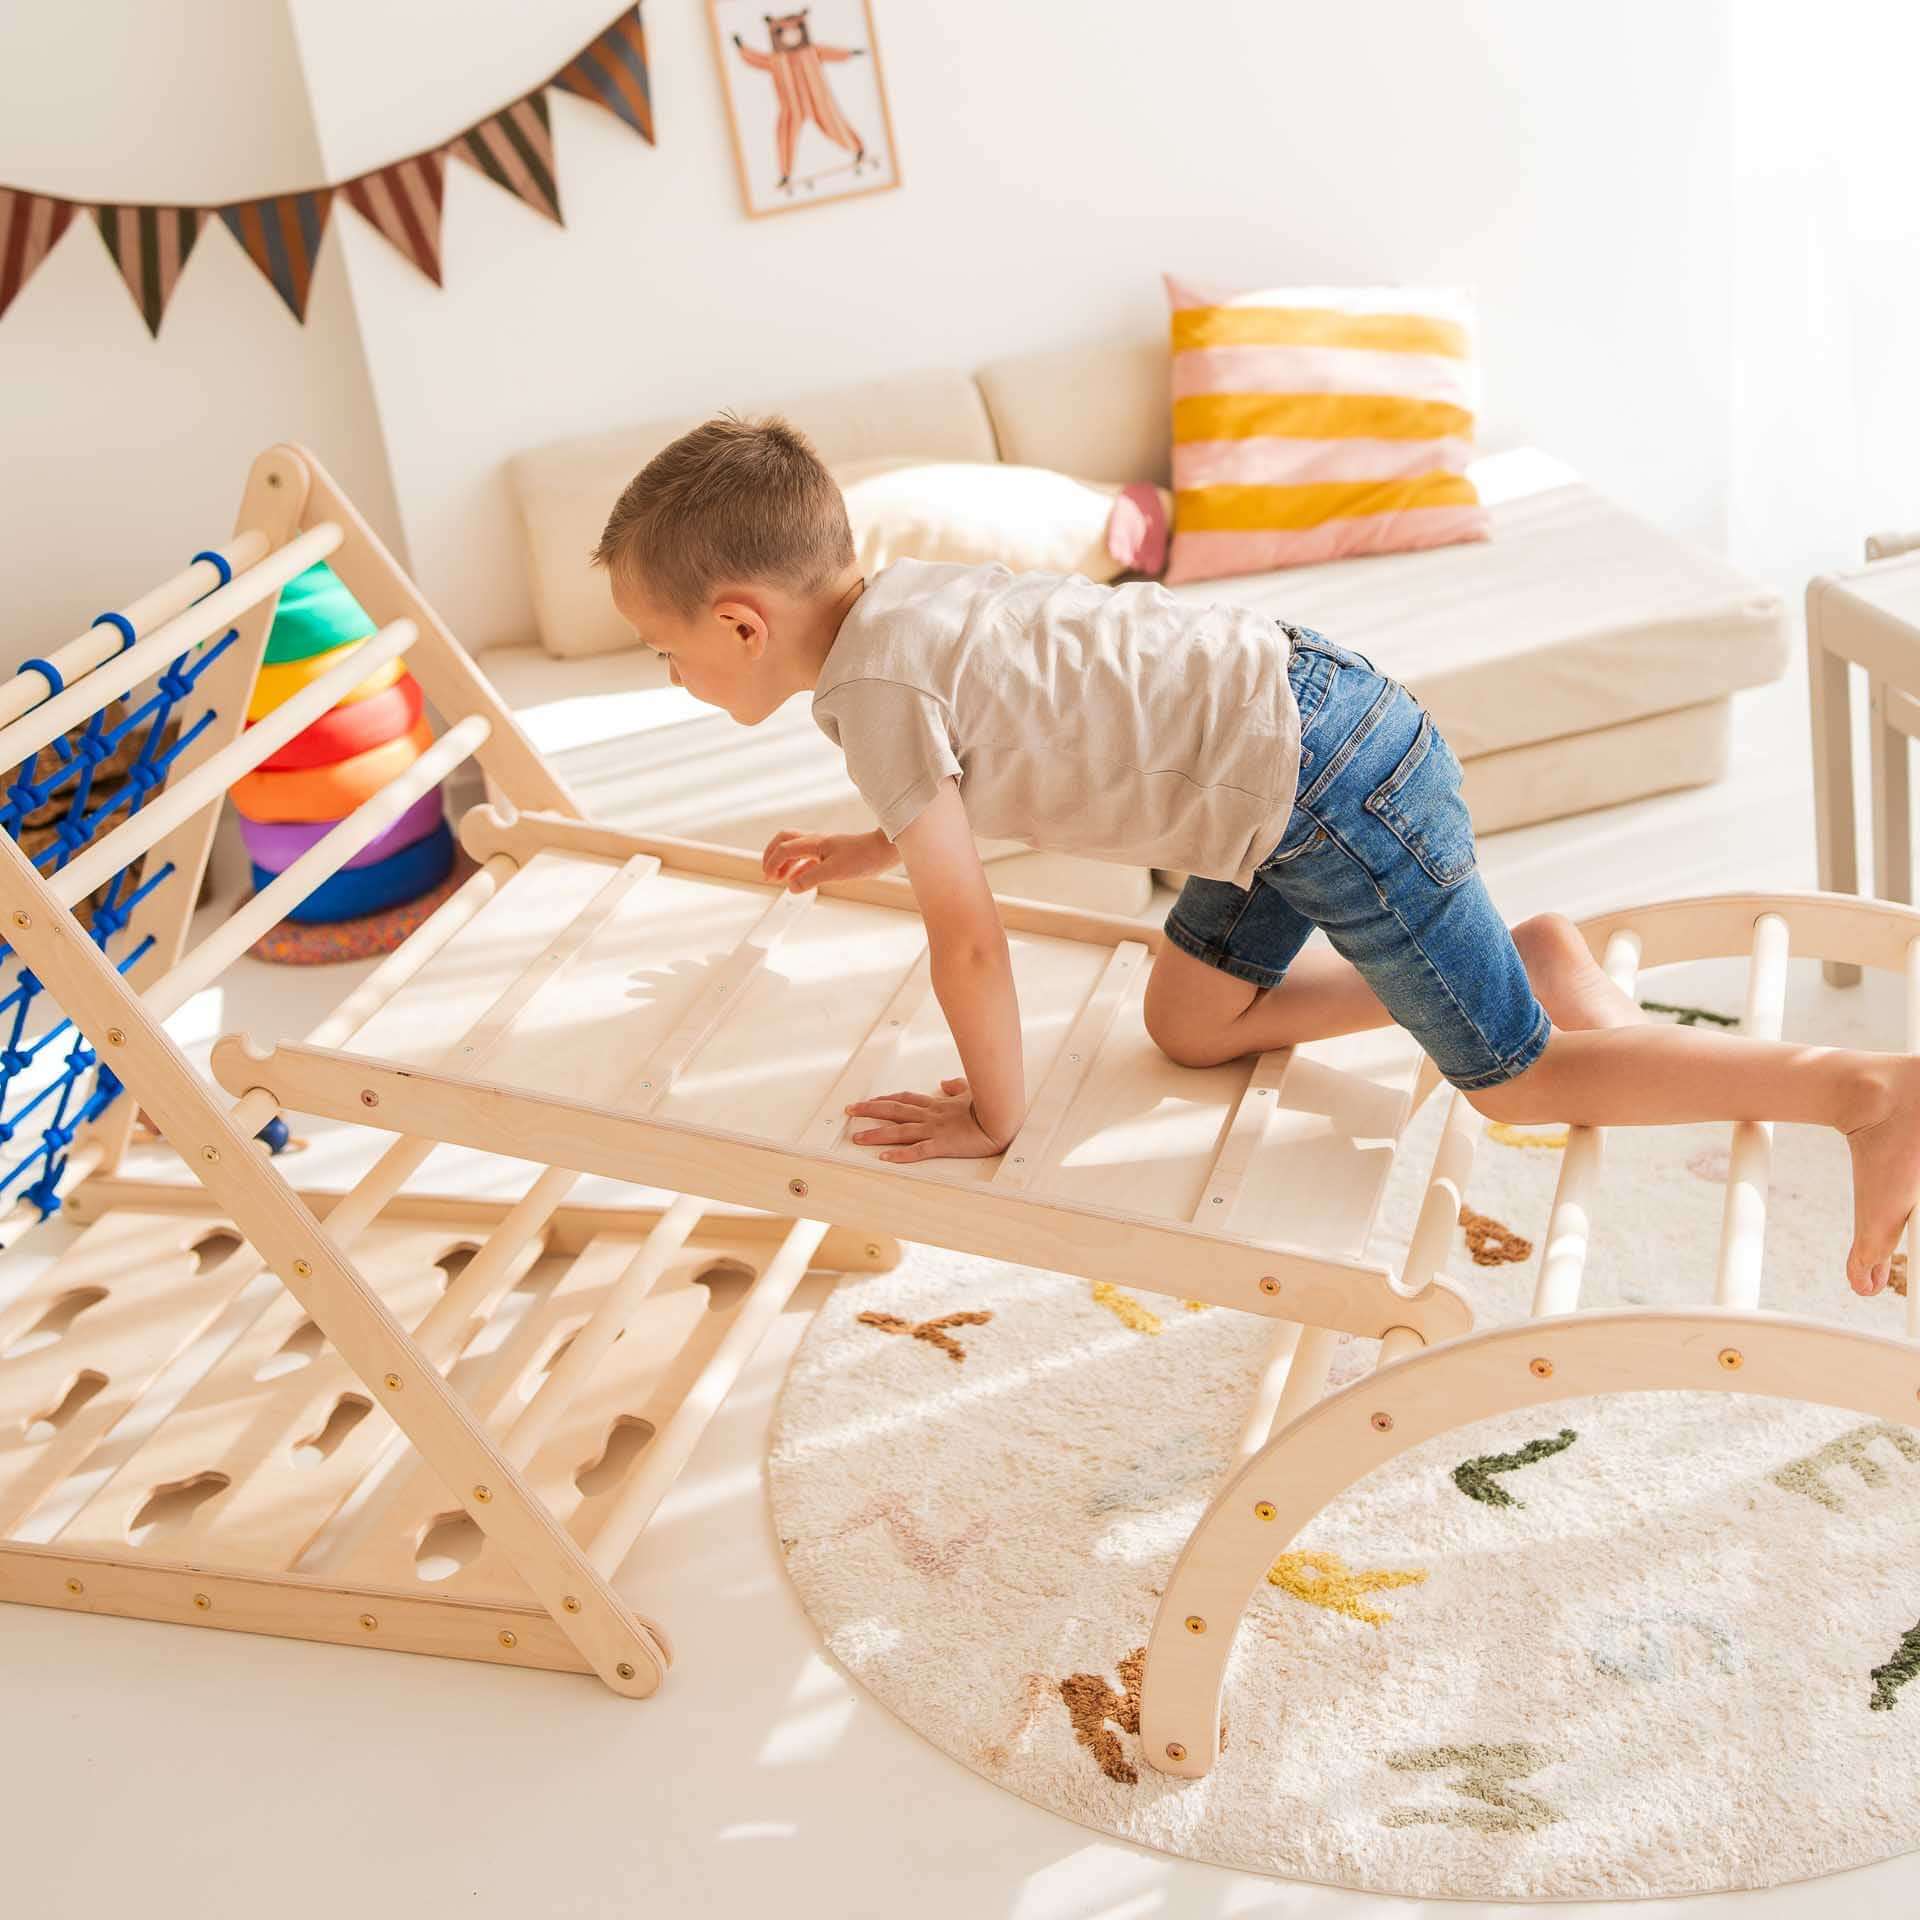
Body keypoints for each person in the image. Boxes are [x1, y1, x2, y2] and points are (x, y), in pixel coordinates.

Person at [592, 413, 1920, 1298]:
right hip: (1292, 730)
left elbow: (969, 938)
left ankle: (1864, 1091)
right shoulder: (901, 600)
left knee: (1513, 1087)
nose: (672, 671)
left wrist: (999, 1118)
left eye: (668, 648)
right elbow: (1002, 742)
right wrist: (865, 841)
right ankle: (1528, 956)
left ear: (742, 621)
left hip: (1319, 790)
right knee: (1189, 1020)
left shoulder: (868, 695)